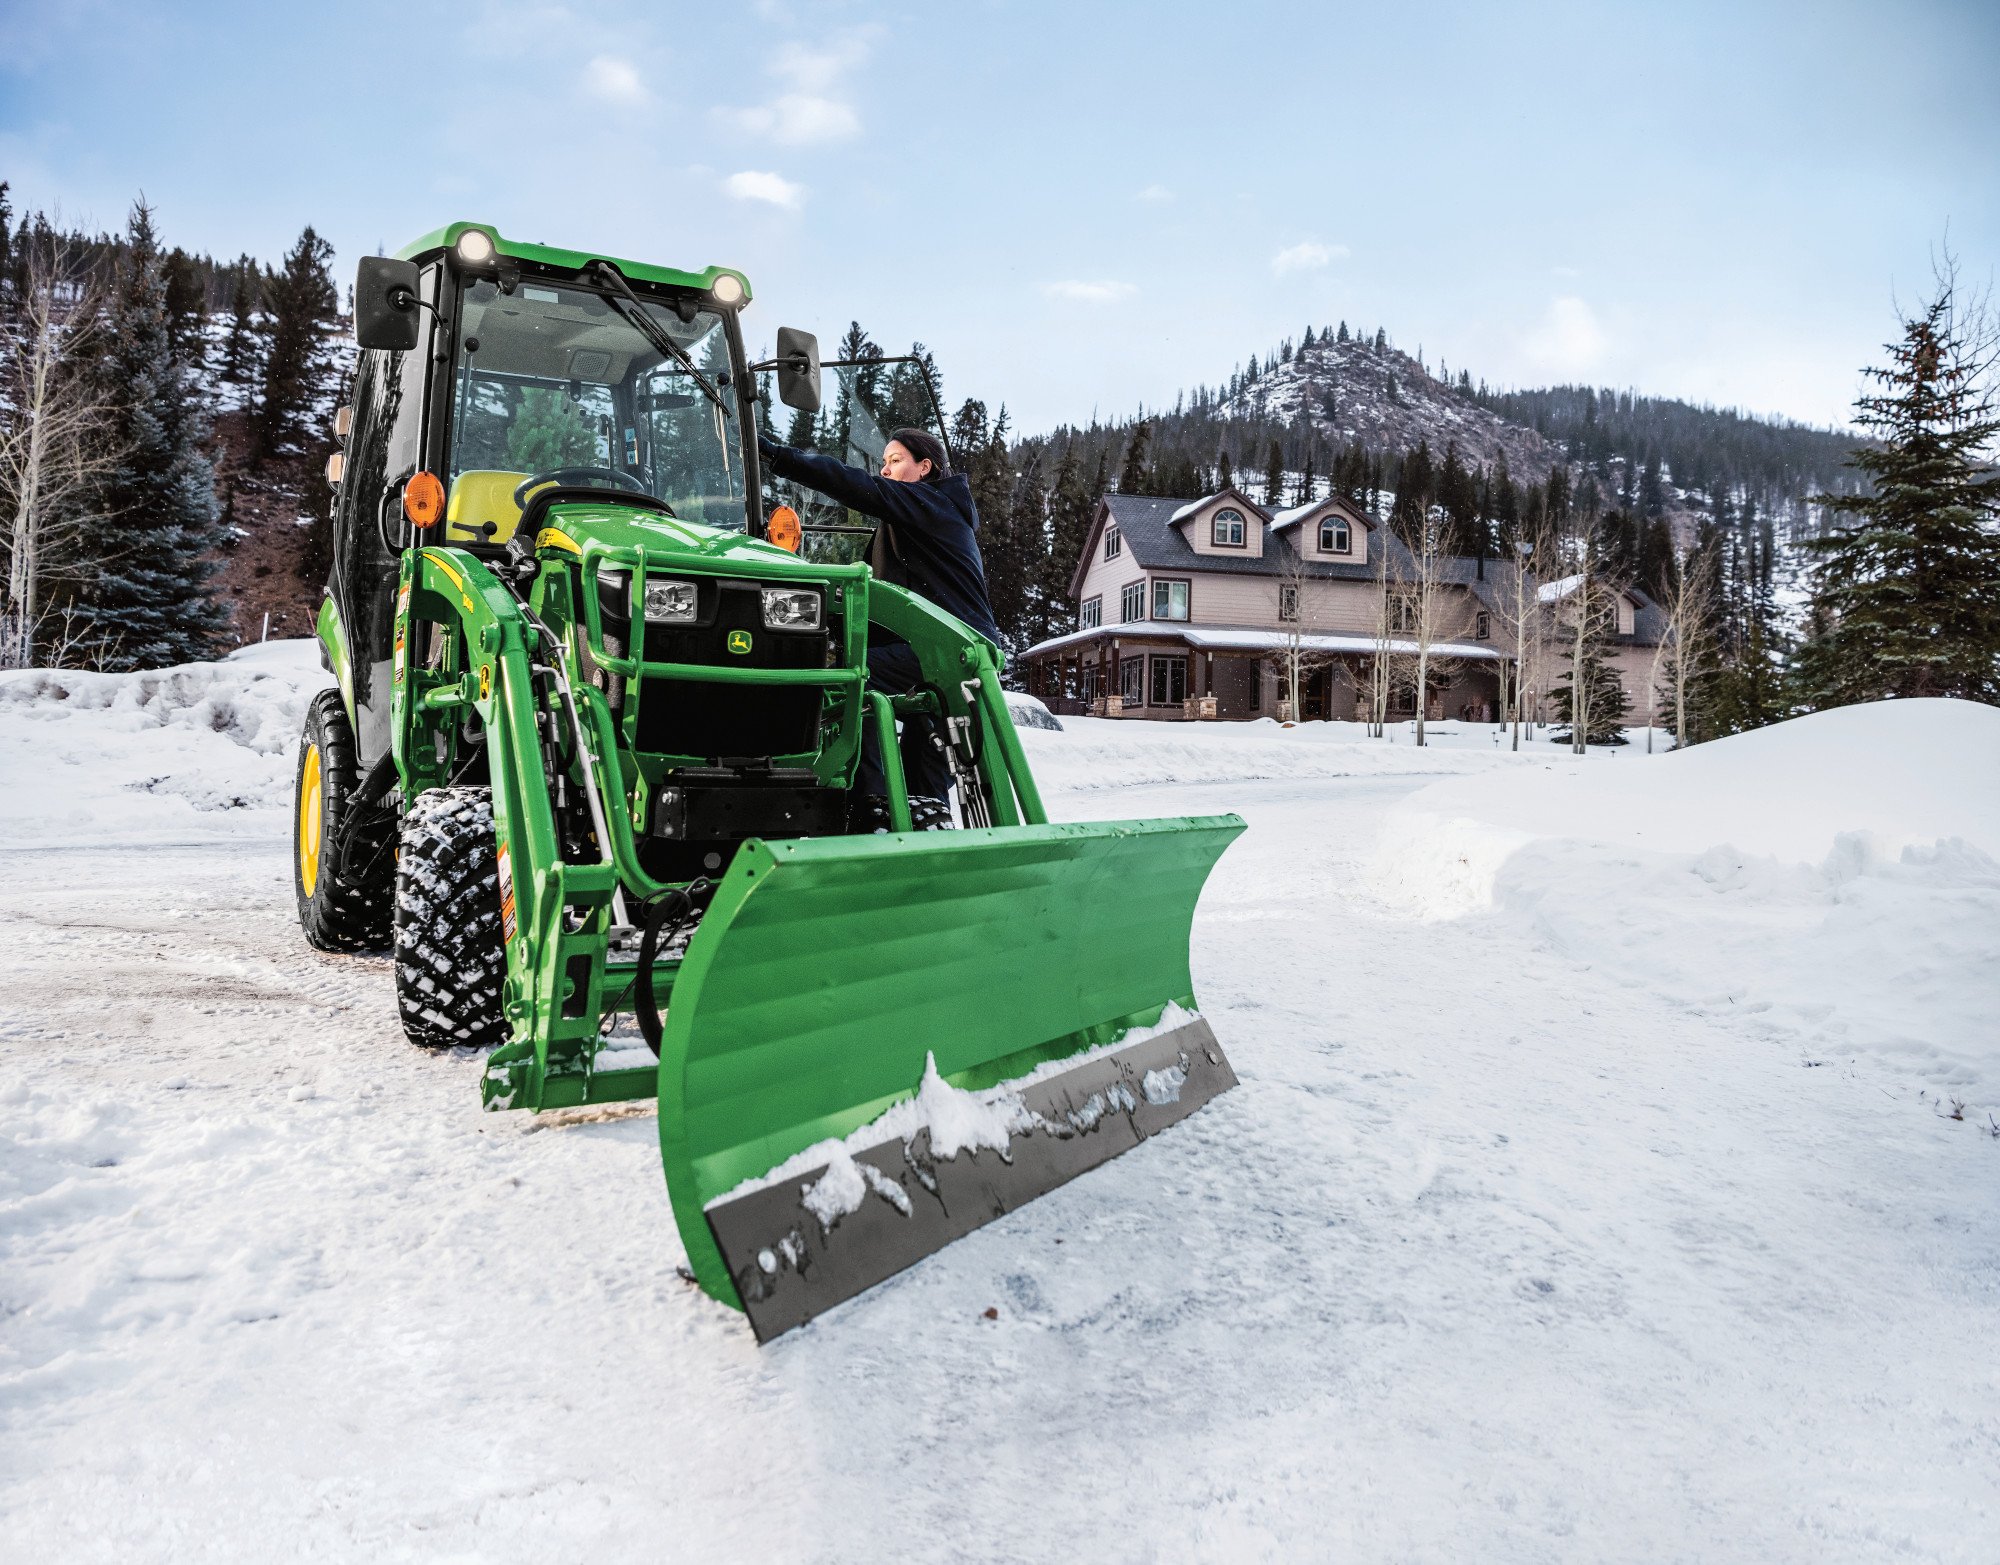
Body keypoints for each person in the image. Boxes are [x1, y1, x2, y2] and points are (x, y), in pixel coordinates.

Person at [756, 426, 1000, 827]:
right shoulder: (920, 520)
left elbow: (851, 484)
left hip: (948, 646)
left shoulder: (929, 503)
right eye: (883, 462)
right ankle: (926, 830)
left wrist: (777, 455)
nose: (885, 471)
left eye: (896, 461)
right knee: (926, 753)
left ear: (925, 467)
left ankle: (869, 801)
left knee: (853, 679)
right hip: (950, 648)